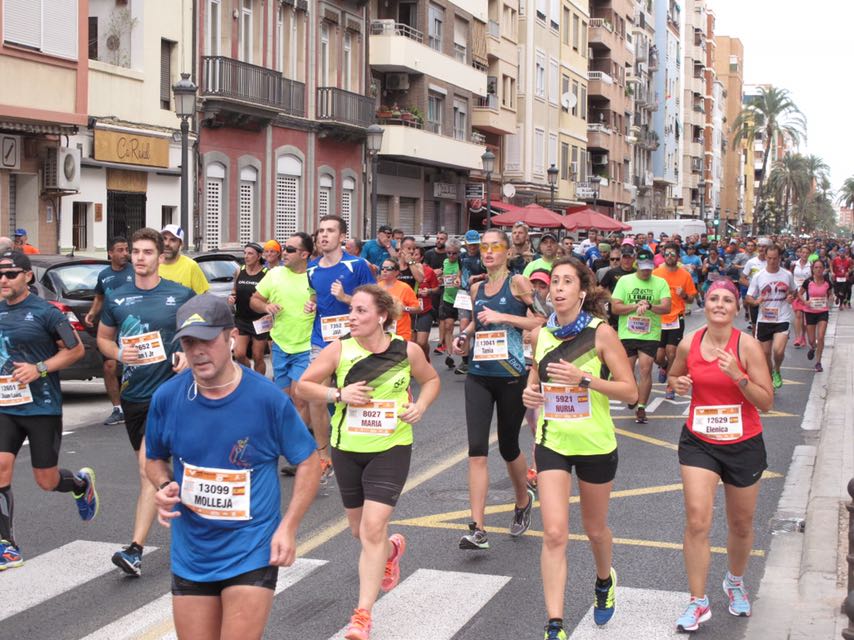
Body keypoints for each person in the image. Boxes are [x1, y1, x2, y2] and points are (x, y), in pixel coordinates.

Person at [146, 294, 320, 640]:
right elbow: (154, 459)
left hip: (251, 548)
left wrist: (289, 526)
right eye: (188, 341)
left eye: (207, 340)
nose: (197, 351)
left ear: (230, 338)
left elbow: (309, 461)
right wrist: (164, 485)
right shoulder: (168, 397)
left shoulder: (266, 399)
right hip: (192, 551)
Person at [297, 284, 440, 640]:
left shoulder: (406, 351)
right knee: (360, 531)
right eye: (352, 310)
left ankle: (362, 614)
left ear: (381, 316)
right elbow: (303, 386)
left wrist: (419, 406)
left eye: (361, 311)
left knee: (373, 527)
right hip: (348, 448)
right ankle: (391, 551)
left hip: (391, 447)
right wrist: (338, 393)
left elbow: (432, 379)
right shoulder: (339, 350)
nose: (353, 316)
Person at [521, 257, 638, 638]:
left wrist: (585, 379)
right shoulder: (540, 335)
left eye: (566, 281)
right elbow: (535, 380)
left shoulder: (601, 333)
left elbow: (631, 392)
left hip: (595, 443)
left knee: (595, 528)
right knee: (554, 533)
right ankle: (554, 624)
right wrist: (531, 393)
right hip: (552, 441)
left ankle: (604, 580)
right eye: (554, 281)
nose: (557, 288)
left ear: (581, 291)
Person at [667, 279, 773, 632]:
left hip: (744, 442)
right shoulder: (688, 343)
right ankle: (697, 601)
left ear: (736, 308)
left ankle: (735, 581)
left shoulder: (748, 346)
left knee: (741, 524)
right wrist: (677, 383)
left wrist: (738, 376)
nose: (719, 304)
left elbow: (766, 402)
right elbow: (674, 376)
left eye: (727, 300)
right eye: (714, 298)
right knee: (698, 519)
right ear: (706, 303)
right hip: (700, 441)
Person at [97, 228, 195, 576]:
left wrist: (186, 351)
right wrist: (119, 351)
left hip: (171, 394)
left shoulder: (180, 294)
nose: (140, 258)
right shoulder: (117, 297)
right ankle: (188, 518)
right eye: (135, 252)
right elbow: (104, 340)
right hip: (134, 394)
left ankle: (135, 548)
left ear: (159, 257)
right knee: (155, 474)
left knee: (146, 468)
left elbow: (201, 330)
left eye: (147, 252)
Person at [0, 250, 98, 570]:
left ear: (27, 277)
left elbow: (76, 351)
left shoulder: (47, 312)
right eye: (0, 275)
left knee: (46, 480)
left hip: (41, 407)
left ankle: (80, 485)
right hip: (5, 406)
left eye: (11, 274)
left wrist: (39, 368)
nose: (3, 280)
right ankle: (7, 545)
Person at [452, 229, 544, 550]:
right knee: (477, 450)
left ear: (507, 251)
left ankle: (522, 501)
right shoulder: (476, 286)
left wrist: (503, 315)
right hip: (479, 374)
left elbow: (542, 321)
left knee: (507, 447)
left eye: (495, 247)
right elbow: (479, 320)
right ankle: (477, 528)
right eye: (485, 247)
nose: (488, 252)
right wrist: (463, 336)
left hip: (510, 374)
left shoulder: (518, 283)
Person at [306, 216, 375, 476]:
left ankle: (357, 449)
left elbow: (375, 303)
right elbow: (314, 296)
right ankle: (323, 456)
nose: (324, 235)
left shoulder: (357, 265)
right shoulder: (311, 268)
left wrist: (346, 298)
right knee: (315, 394)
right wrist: (310, 304)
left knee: (354, 397)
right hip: (321, 340)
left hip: (353, 340)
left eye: (330, 231)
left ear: (342, 237)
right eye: (321, 230)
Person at [251, 232, 314, 408]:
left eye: (290, 249)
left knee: (299, 397)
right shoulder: (275, 274)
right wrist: (265, 307)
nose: (284, 252)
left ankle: (300, 435)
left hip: (306, 347)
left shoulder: (315, 275)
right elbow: (255, 300)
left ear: (304, 254)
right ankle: (290, 432)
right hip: (280, 345)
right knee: (283, 400)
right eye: (285, 248)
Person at [610, 249, 671, 423]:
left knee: (645, 368)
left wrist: (650, 306)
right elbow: (615, 308)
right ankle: (634, 395)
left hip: (649, 333)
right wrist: (635, 306)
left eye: (649, 267)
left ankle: (642, 407)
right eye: (643, 267)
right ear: (637, 264)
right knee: (627, 371)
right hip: (627, 332)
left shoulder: (660, 283)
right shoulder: (625, 281)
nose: (646, 271)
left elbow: (666, 307)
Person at [84, 236, 134, 425]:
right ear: (110, 253)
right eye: (120, 250)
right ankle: (117, 408)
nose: (125, 254)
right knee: (109, 366)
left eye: (126, 249)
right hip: (111, 329)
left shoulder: (135, 270)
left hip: (132, 326)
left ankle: (137, 404)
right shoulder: (104, 275)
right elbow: (99, 297)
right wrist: (91, 313)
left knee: (134, 365)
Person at [745, 244, 795, 390]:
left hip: (782, 317)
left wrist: (791, 296)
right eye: (769, 258)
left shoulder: (787, 275)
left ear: (780, 258)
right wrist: (755, 301)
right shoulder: (758, 276)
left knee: (778, 351)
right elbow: (748, 297)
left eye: (775, 258)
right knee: (765, 354)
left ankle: (777, 369)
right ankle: (770, 376)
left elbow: (794, 291)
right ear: (765, 257)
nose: (772, 261)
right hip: (764, 319)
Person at [653, 244, 697, 400]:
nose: (670, 256)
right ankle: (664, 366)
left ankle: (670, 386)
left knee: (672, 352)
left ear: (678, 256)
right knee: (657, 356)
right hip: (658, 317)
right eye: (667, 253)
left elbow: (692, 298)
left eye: (673, 254)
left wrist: (684, 294)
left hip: (676, 317)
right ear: (664, 255)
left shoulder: (685, 275)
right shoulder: (656, 273)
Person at [228, 242, 268, 375]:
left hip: (260, 320)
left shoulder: (266, 273)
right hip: (242, 319)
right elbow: (234, 289)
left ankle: (260, 383)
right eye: (245, 253)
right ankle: (250, 375)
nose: (246, 256)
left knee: (258, 356)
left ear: (259, 256)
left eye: (250, 253)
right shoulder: (240, 271)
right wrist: (232, 297)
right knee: (239, 354)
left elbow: (271, 295)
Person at [455, 231, 487, 374]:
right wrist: (458, 279)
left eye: (475, 244)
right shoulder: (461, 256)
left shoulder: (483, 256)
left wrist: (478, 277)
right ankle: (465, 361)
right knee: (463, 325)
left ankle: (478, 357)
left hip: (478, 292)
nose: (472, 247)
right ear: (466, 243)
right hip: (463, 293)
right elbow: (460, 271)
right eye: (470, 244)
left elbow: (490, 274)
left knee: (477, 325)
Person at [798, 259, 831, 372]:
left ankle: (818, 362)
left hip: (823, 312)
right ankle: (812, 347)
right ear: (812, 269)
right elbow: (799, 293)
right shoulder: (808, 282)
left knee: (820, 337)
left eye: (820, 267)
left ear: (823, 269)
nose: (818, 270)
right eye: (816, 267)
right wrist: (805, 302)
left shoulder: (827, 282)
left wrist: (831, 299)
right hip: (810, 312)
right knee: (812, 340)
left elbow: (830, 294)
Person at [158, 225, 210, 295]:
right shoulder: (152, 264)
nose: (167, 243)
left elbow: (204, 298)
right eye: (164, 239)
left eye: (172, 240)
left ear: (181, 244)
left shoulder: (191, 266)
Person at [377, 260, 419, 341]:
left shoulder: (405, 287)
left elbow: (418, 308)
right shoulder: (377, 287)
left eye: (389, 268)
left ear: (396, 272)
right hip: (382, 332)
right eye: (382, 268)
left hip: (401, 332)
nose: (384, 270)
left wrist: (404, 309)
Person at [599, 244, 637, 330]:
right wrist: (609, 298)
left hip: (633, 311)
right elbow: (599, 290)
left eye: (629, 257)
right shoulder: (612, 273)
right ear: (621, 258)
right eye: (624, 257)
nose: (627, 260)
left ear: (634, 258)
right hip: (615, 313)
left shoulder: (637, 273)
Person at [411, 246, 439, 358]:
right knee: (412, 342)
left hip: (425, 309)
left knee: (421, 342)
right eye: (411, 254)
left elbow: (437, 288)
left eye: (416, 254)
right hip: (410, 310)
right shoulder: (404, 271)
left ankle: (426, 357)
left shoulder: (428, 271)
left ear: (421, 257)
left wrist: (429, 291)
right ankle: (415, 365)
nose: (413, 257)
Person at [438, 239, 462, 369]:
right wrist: (440, 278)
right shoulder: (445, 262)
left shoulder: (462, 262)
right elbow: (444, 275)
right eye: (448, 253)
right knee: (448, 326)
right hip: (448, 298)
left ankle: (465, 357)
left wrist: (459, 279)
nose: (451, 256)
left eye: (454, 253)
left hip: (462, 299)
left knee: (464, 329)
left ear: (458, 253)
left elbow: (462, 275)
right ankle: (450, 355)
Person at [789, 245, 812, 348]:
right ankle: (798, 337)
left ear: (809, 254)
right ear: (799, 253)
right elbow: (790, 278)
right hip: (796, 292)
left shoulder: (811, 265)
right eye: (803, 252)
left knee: (805, 318)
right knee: (798, 315)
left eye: (807, 253)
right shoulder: (794, 264)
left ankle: (803, 336)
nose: (804, 254)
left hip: (807, 294)